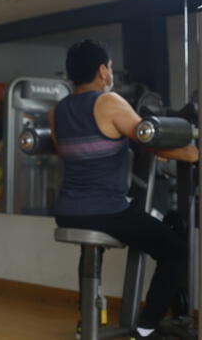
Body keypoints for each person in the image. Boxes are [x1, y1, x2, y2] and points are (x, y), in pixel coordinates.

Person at [50, 39, 198, 340]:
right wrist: (194, 153)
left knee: (94, 247)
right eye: (111, 67)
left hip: (67, 211)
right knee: (176, 251)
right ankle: (146, 329)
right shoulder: (109, 102)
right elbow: (156, 145)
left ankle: (87, 319)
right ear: (103, 70)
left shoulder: (58, 111)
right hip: (106, 210)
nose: (111, 73)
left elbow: (67, 154)